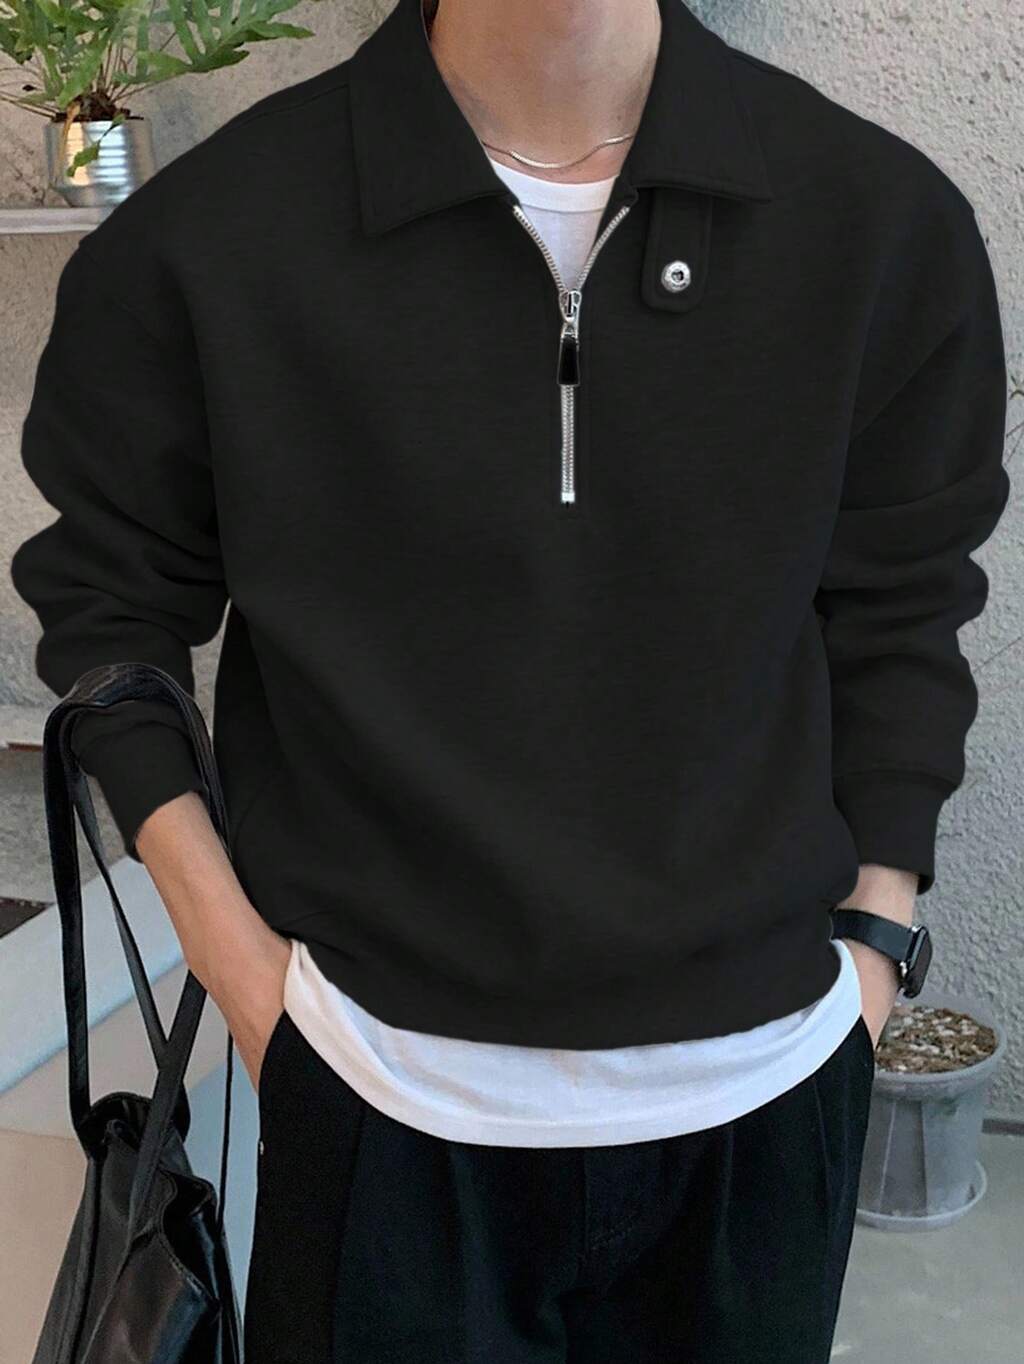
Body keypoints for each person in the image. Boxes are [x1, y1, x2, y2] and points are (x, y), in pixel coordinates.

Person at [11, 0, 1010, 1359]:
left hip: (770, 1099)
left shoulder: (879, 224)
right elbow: (111, 613)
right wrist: (252, 985)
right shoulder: (213, 236)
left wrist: (875, 947)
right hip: (371, 1096)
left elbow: (901, 608)